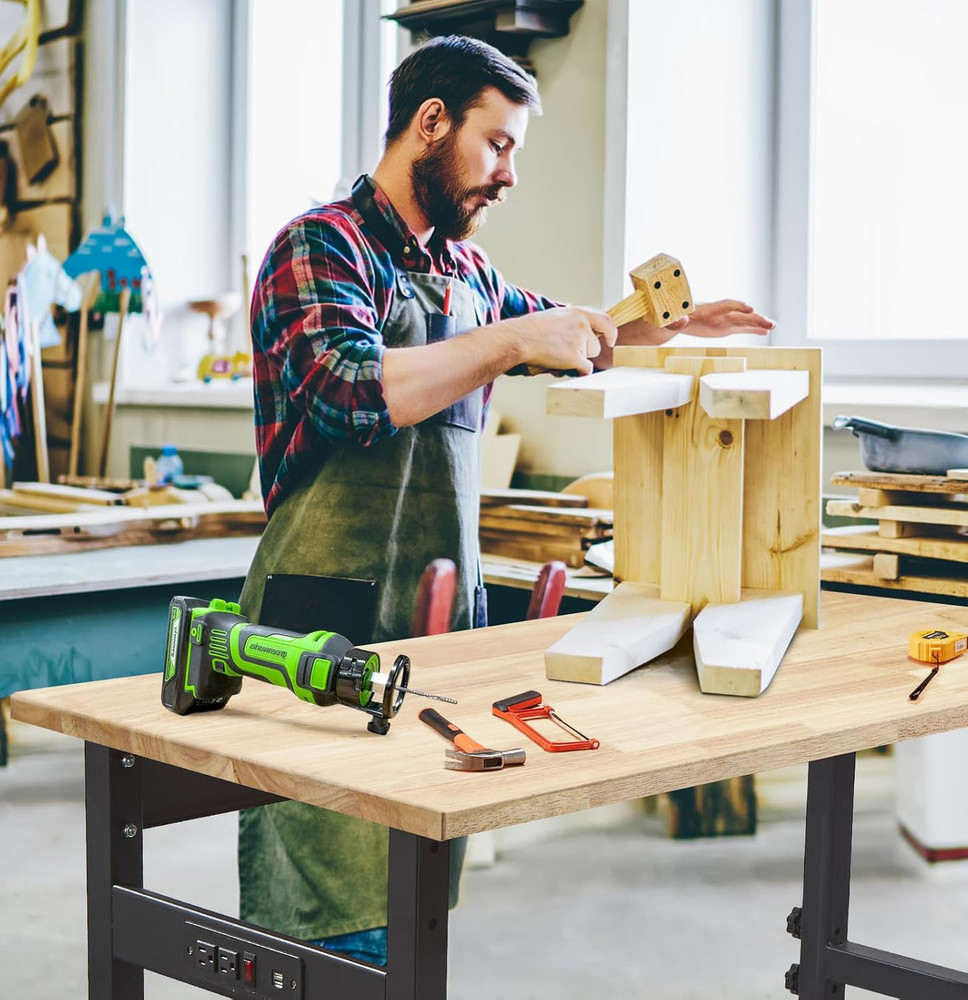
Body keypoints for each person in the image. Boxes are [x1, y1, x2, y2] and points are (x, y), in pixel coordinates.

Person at [237, 34, 774, 967]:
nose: (510, 174)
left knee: (412, 898)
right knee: (330, 912)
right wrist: (513, 340)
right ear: (430, 123)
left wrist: (667, 326)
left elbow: (577, 334)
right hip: (324, 626)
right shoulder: (321, 245)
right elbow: (352, 389)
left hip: (433, 629)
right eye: (497, 144)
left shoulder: (467, 275)